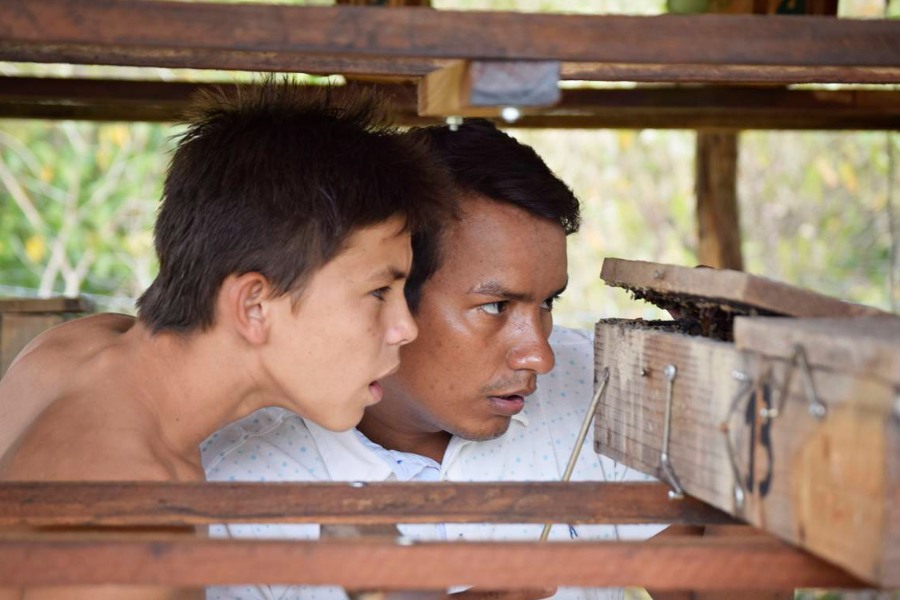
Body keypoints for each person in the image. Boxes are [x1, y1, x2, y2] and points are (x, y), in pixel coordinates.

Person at [0, 78, 448, 600]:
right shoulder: (132, 532)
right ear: (254, 306)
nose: (406, 328)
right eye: (378, 291)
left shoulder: (73, 349)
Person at [203, 119, 662, 600]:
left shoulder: (593, 388)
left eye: (547, 304)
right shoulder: (238, 488)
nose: (539, 356)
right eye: (495, 307)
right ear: (390, 292)